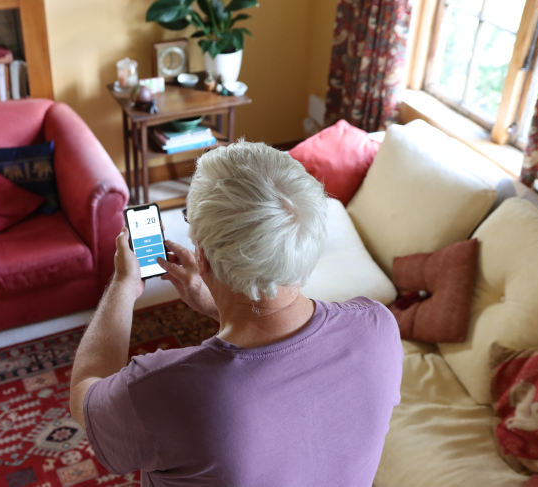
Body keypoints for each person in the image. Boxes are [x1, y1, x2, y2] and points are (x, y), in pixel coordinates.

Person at [70, 141, 403, 486]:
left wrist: (124, 284)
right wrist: (215, 305)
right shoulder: (378, 327)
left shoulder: (163, 389)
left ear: (202, 255)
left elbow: (85, 395)